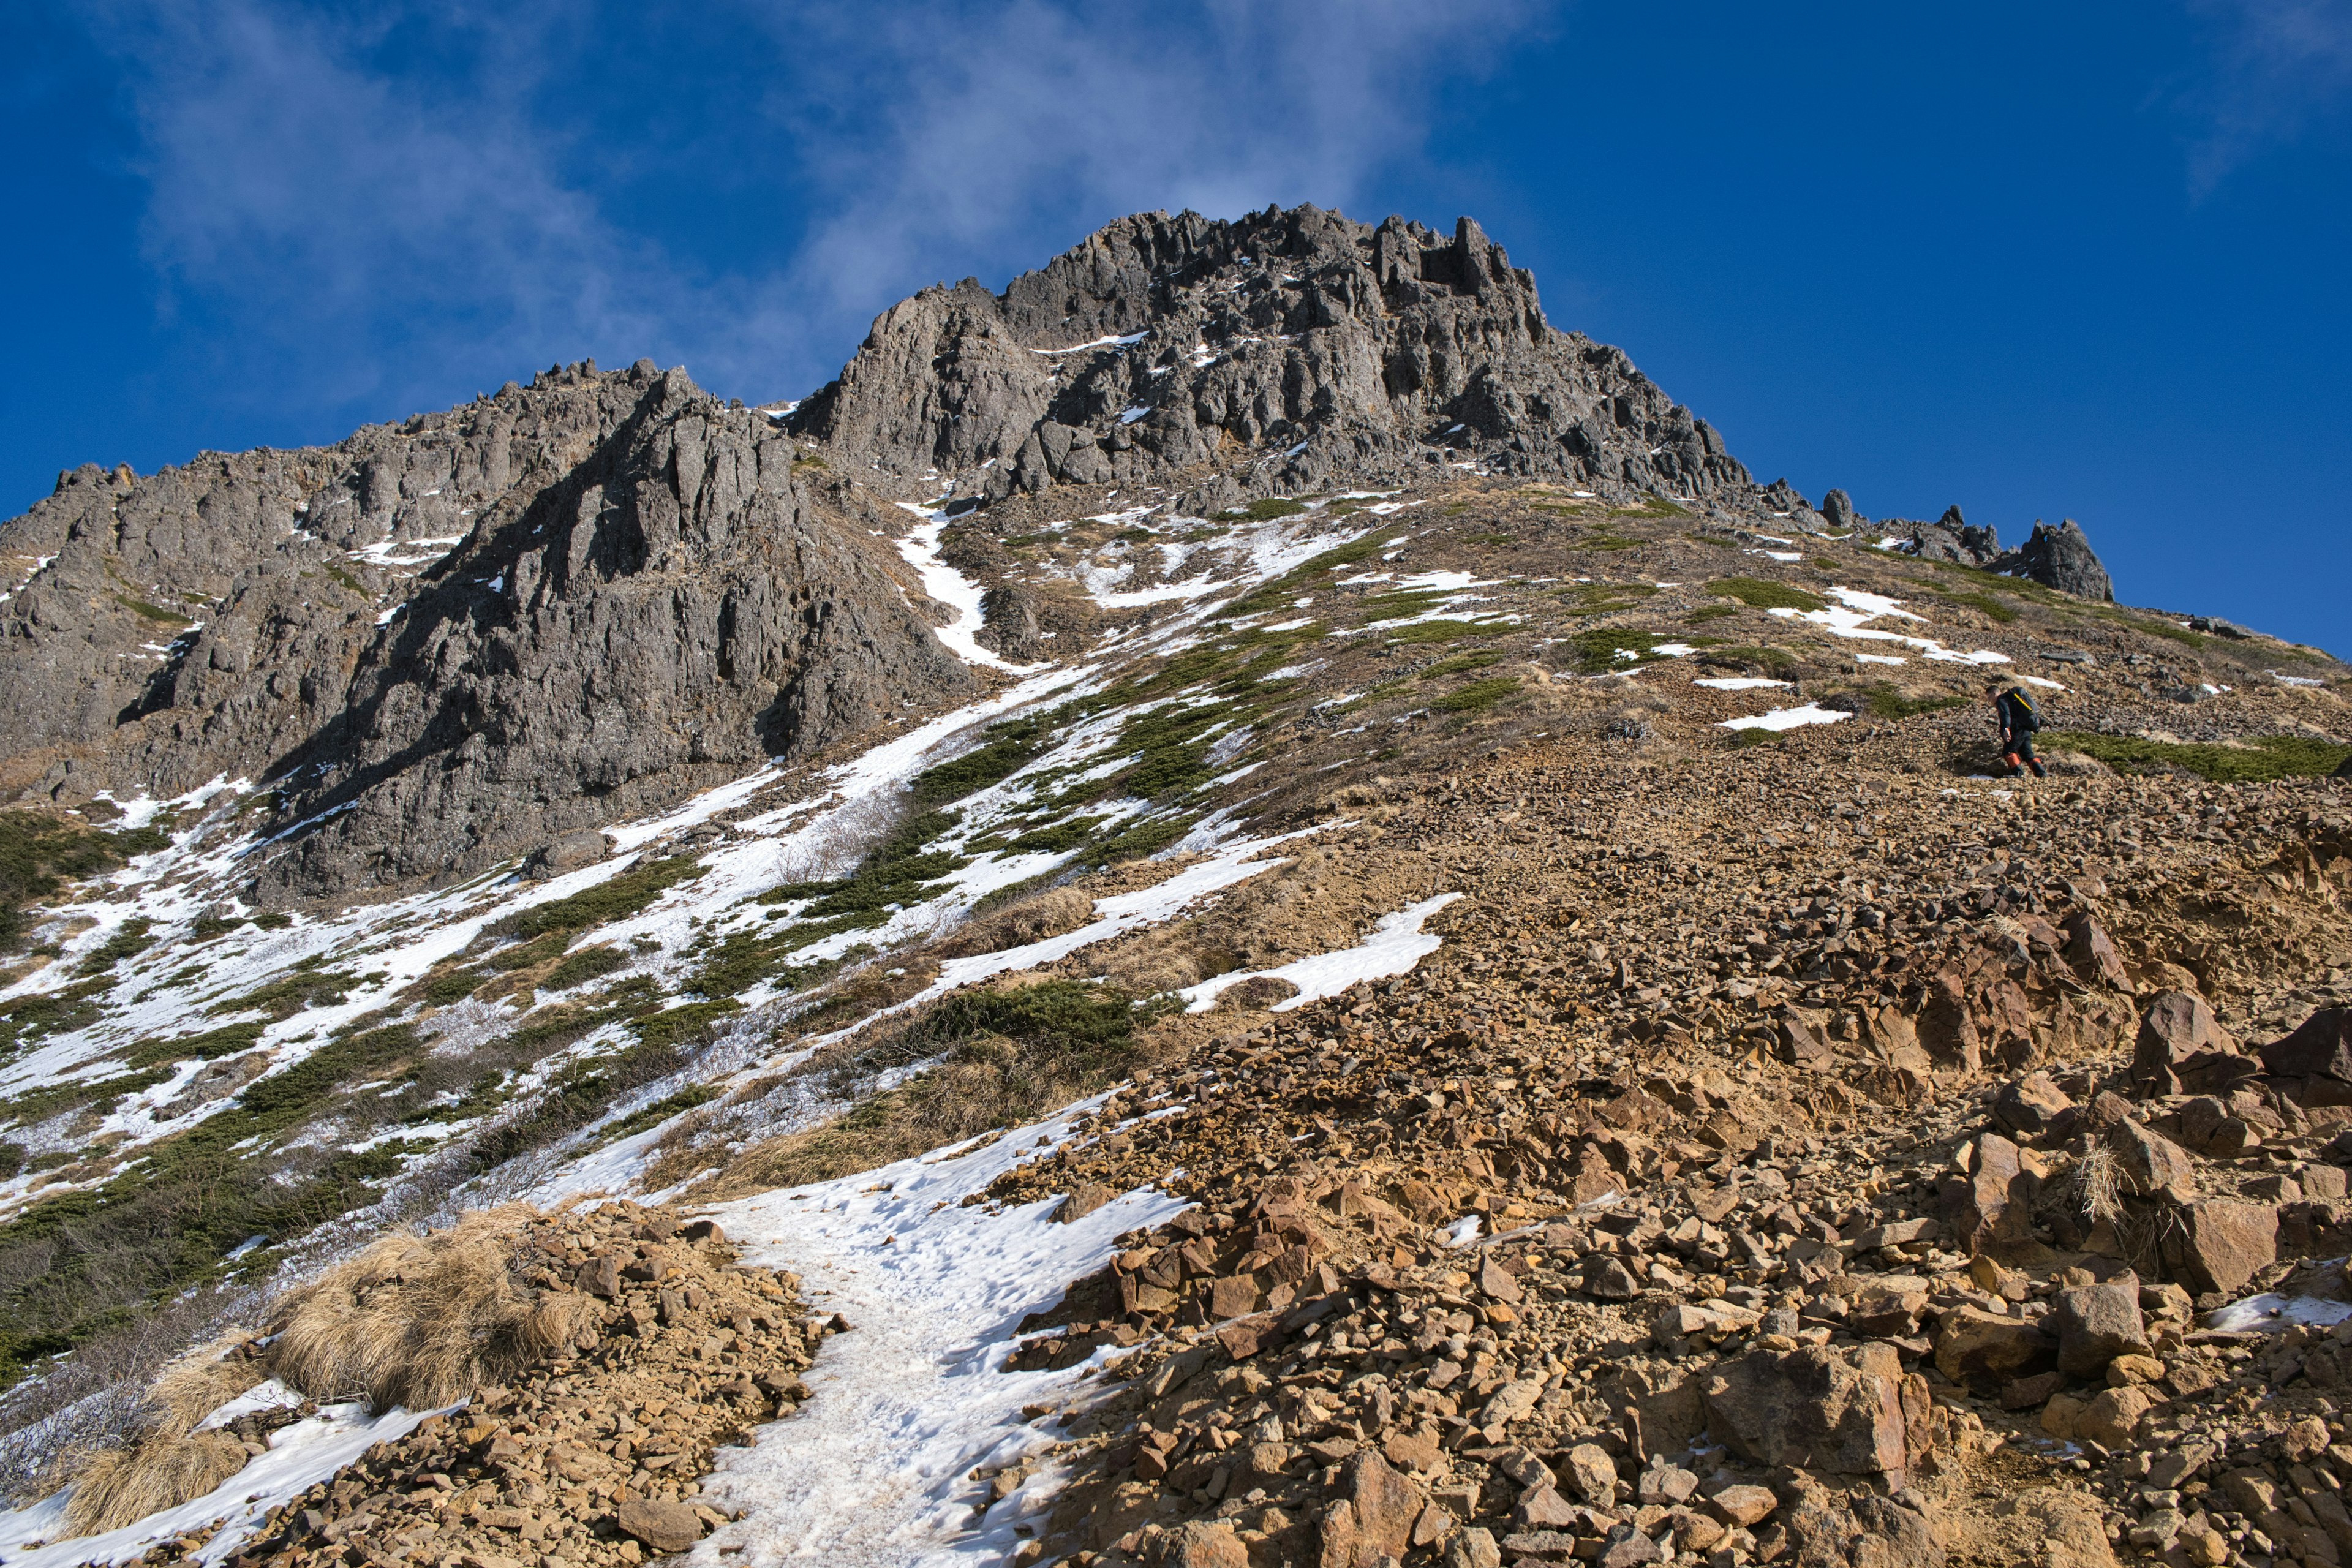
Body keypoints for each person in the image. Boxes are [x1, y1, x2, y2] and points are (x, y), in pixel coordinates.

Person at [1988, 681, 2048, 777]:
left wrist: (2006, 728)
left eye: (1989, 697)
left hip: (2016, 730)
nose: (1989, 701)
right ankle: (2042, 773)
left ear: (1994, 694)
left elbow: (2006, 714)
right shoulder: (2012, 699)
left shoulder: (2001, 700)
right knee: (2028, 755)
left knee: (2008, 751)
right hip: (2026, 729)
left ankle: (2018, 774)